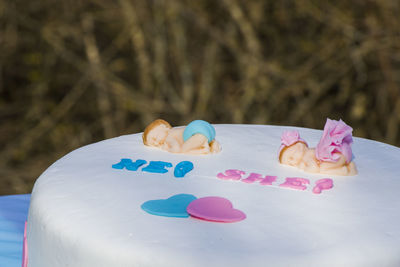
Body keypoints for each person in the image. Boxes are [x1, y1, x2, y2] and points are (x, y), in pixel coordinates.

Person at [143, 119, 221, 154]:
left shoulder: (169, 137)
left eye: (155, 138)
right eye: (154, 144)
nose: (156, 143)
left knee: (184, 149)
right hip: (203, 127)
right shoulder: (175, 130)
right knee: (201, 139)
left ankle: (204, 150)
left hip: (197, 131)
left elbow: (176, 149)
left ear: (163, 127)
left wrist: (167, 148)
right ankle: (212, 143)